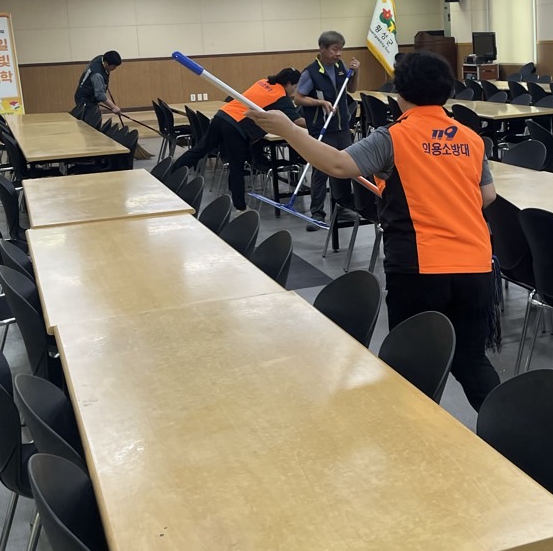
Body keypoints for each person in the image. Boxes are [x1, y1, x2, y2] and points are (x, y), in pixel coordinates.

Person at [249, 51, 500, 411]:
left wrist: (289, 130)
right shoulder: (470, 138)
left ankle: (413, 433)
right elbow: (486, 196)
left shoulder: (395, 136)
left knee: (411, 364)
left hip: (420, 267)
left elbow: (339, 165)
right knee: (470, 359)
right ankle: (510, 435)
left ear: (401, 92)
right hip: (475, 265)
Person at [171, 68, 305, 211]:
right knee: (236, 167)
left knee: (199, 150)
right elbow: (297, 121)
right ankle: (240, 207)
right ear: (288, 83)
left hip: (221, 116)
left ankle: (170, 175)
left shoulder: (263, 82)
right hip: (235, 127)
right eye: (295, 87)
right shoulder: (281, 97)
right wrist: (317, 124)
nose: (295, 91)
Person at [292, 31, 360, 228]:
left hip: (342, 127)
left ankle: (343, 207)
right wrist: (320, 102)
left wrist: (356, 71)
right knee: (321, 171)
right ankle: (317, 214)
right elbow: (298, 98)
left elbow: (352, 89)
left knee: (344, 168)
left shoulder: (340, 66)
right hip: (321, 127)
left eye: (341, 50)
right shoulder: (311, 72)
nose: (338, 54)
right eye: (334, 50)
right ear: (322, 48)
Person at [74, 50, 123, 115]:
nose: (115, 68)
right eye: (114, 66)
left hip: (91, 98)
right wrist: (113, 107)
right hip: (84, 99)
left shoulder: (102, 58)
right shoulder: (97, 74)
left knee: (94, 115)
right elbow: (100, 95)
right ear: (106, 63)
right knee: (89, 119)